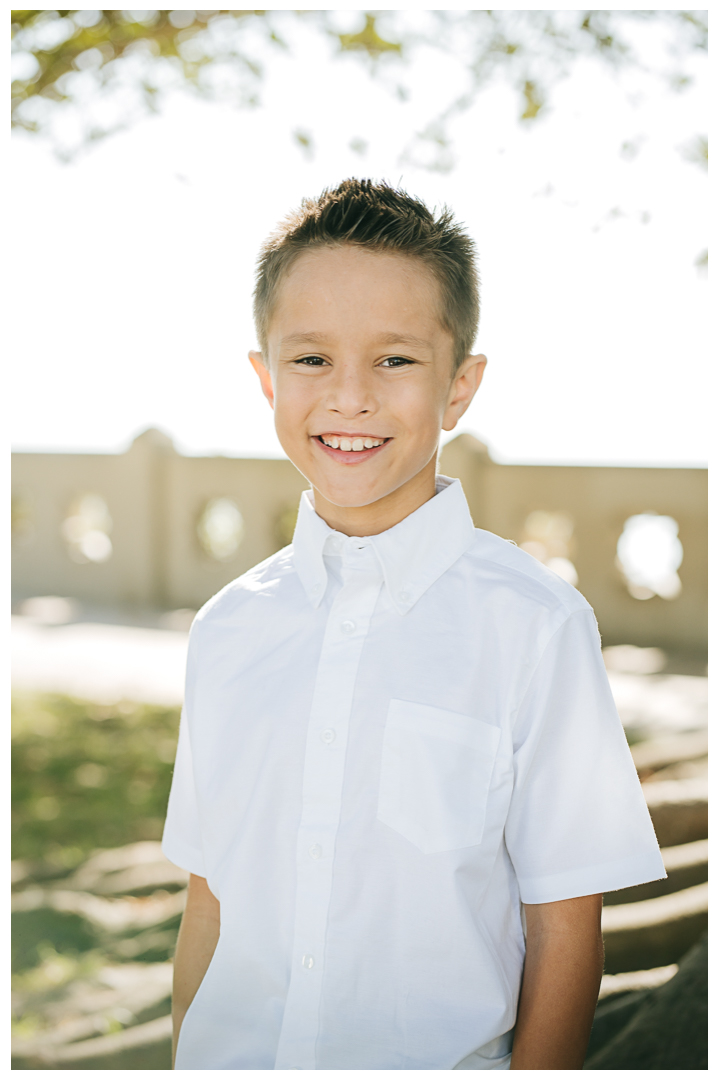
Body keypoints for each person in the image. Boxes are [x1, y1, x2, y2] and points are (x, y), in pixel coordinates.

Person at [162, 178, 666, 1070]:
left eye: (395, 361)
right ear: (263, 377)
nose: (350, 397)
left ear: (460, 387)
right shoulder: (228, 630)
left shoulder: (536, 627)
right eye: (311, 359)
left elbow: (564, 927)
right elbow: (211, 900)